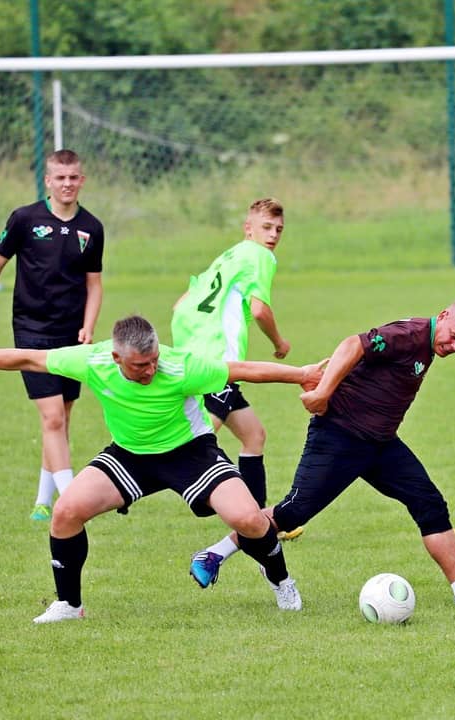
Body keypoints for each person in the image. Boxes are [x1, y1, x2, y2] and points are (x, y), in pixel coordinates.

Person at [0, 314, 325, 623]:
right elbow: (29, 358)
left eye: (153, 361)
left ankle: (280, 581)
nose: (150, 370)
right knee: (65, 512)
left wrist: (303, 375)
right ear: (116, 358)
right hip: (129, 456)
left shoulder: (179, 366)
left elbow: (243, 370)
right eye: (139, 365)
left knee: (249, 519)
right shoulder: (94, 361)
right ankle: (69, 604)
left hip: (190, 453)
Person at [189, 298, 455, 610]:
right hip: (339, 436)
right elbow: (352, 344)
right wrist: (322, 392)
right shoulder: (409, 335)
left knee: (429, 503)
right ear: (444, 316)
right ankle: (214, 554)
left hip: (380, 444)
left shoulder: (428, 343)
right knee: (293, 513)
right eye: (454, 337)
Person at [171, 197, 303, 586]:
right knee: (192, 445)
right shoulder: (260, 257)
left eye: (278, 230)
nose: (273, 235)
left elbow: (181, 303)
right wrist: (279, 342)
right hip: (218, 362)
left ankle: (258, 520)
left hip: (197, 353)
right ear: (249, 228)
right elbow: (259, 310)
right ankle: (249, 528)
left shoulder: (228, 256)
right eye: (266, 228)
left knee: (253, 435)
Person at [0, 148, 104, 522]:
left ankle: (42, 502)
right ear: (48, 181)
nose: (67, 184)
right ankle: (72, 500)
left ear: (82, 180)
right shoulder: (25, 219)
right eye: (60, 178)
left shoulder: (92, 228)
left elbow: (94, 284)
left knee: (61, 418)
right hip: (31, 330)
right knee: (52, 418)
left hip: (70, 333)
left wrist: (89, 325)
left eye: (73, 177)